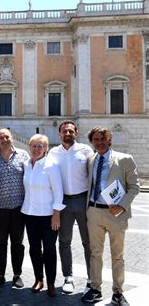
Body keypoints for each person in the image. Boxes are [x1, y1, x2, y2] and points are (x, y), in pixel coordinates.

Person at [82, 127, 139, 305]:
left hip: (116, 213)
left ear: (109, 139)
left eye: (102, 139)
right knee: (95, 253)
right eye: (96, 140)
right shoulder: (90, 159)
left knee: (117, 255)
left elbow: (134, 187)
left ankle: (118, 293)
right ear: (92, 142)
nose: (99, 142)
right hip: (94, 212)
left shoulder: (124, 159)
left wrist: (121, 206)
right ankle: (96, 288)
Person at [47, 120, 93, 294]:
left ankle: (91, 278)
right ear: (59, 134)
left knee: (88, 242)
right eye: (64, 131)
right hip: (63, 202)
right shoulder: (53, 153)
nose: (68, 134)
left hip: (83, 200)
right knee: (64, 241)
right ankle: (68, 277)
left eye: (71, 131)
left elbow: (93, 175)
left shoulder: (86, 150)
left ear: (77, 133)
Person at [0, 128, 29, 288]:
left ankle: (17, 275)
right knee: (0, 242)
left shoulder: (24, 156)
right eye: (1, 138)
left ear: (12, 137)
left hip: (19, 207)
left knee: (18, 242)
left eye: (7, 137)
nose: (4, 140)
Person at [21, 134, 64, 297]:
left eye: (40, 146)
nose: (36, 149)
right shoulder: (26, 164)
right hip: (29, 214)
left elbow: (58, 192)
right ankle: (39, 279)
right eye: (34, 146)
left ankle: (51, 283)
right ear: (29, 147)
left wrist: (56, 215)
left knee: (50, 250)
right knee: (34, 249)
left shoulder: (51, 165)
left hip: (48, 216)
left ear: (46, 149)